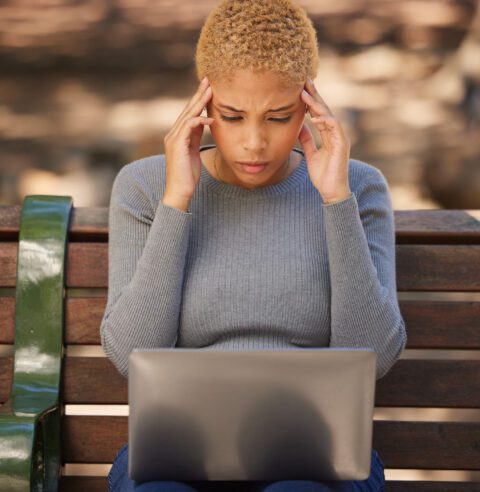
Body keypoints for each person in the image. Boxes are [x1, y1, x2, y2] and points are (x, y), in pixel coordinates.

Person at [101, 0, 407, 490]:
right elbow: (130, 353)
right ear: (203, 106)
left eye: (279, 117)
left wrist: (335, 200)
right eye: (233, 115)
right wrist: (177, 200)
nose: (254, 143)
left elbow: (375, 354)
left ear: (309, 106)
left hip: (316, 456)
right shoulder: (144, 187)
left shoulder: (358, 187)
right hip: (179, 450)